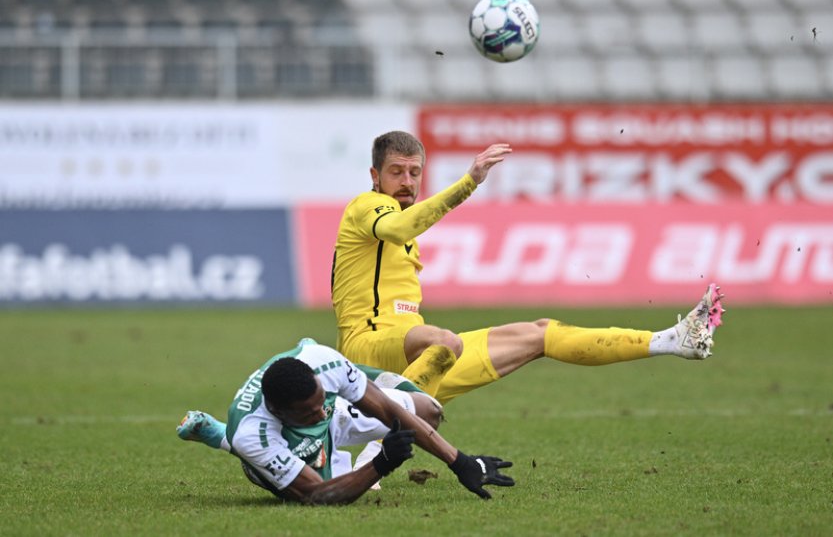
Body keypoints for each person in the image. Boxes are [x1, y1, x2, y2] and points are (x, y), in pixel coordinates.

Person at [331, 130, 725, 404]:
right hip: (369, 349)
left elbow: (407, 226)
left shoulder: (406, 218)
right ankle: (376, 451)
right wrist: (469, 183)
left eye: (414, 172)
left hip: (419, 363)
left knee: (540, 334)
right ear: (375, 176)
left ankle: (670, 340)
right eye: (396, 172)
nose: (406, 181)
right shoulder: (367, 206)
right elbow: (399, 228)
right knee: (442, 341)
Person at [176, 338, 514, 505]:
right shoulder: (255, 432)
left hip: (333, 408)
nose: (319, 413)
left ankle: (333, 406)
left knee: (428, 411)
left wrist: (460, 461)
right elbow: (317, 494)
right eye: (310, 413)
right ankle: (224, 438)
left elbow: (388, 411)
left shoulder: (322, 364)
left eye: (320, 400)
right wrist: (382, 463)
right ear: (279, 410)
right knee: (327, 488)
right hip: (286, 443)